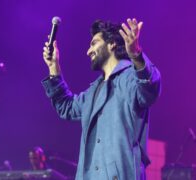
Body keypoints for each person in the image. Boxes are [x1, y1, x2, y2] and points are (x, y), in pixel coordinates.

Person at [41, 18, 161, 180]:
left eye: (94, 43)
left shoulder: (129, 78)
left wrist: (136, 55)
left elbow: (149, 88)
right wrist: (53, 67)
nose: (88, 51)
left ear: (111, 44)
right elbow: (67, 107)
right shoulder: (94, 91)